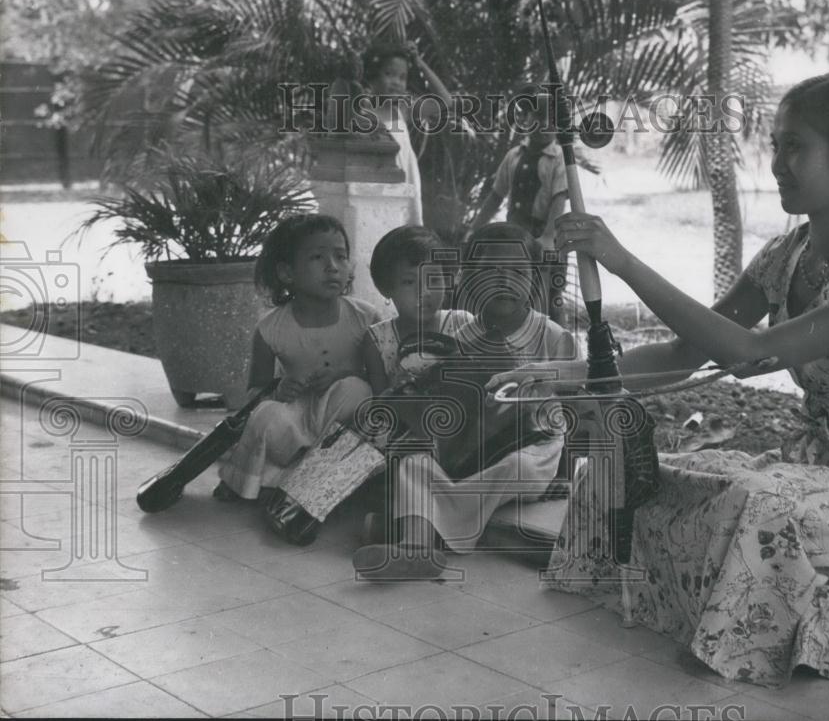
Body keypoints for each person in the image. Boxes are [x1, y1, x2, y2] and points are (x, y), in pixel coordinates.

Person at [487, 74, 829, 688]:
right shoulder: (786, 254)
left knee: (754, 505)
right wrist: (558, 374)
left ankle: (731, 640)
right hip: (806, 467)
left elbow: (746, 351)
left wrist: (623, 261)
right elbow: (685, 353)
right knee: (643, 476)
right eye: (774, 145)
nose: (776, 164)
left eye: (795, 147)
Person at [352, 222, 576, 579]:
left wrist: (564, 472)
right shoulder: (462, 336)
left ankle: (414, 530)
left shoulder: (552, 336)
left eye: (519, 272)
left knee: (513, 467)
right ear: (468, 278)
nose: (504, 282)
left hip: (531, 448)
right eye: (489, 272)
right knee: (415, 464)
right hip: (474, 445)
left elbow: (573, 406)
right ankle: (419, 550)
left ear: (535, 278)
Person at [215, 214, 380, 501]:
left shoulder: (365, 318)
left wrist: (342, 376)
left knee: (357, 390)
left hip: (343, 418)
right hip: (296, 421)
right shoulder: (270, 329)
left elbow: (382, 381)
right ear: (287, 273)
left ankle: (315, 475)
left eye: (341, 257)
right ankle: (263, 481)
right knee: (266, 415)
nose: (332, 267)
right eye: (318, 257)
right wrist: (278, 390)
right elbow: (255, 392)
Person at [472, 84, 570, 323]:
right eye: (538, 117)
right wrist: (475, 228)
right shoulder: (514, 156)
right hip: (514, 237)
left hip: (543, 235)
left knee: (547, 293)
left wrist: (548, 236)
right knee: (512, 287)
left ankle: (556, 338)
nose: (546, 125)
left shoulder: (558, 159)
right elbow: (496, 195)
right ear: (524, 119)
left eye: (552, 120)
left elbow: (559, 199)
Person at [361, 225, 474, 395]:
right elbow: (380, 404)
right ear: (386, 287)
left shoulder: (462, 322)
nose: (424, 292)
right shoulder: (377, 340)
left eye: (434, 279)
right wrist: (397, 389)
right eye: (409, 282)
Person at [361, 41, 456, 223]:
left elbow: (446, 101)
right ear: (372, 76)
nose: (396, 82)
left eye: (402, 77)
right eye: (389, 74)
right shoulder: (364, 113)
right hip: (376, 193)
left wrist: (419, 62)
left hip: (404, 192)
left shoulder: (403, 110)